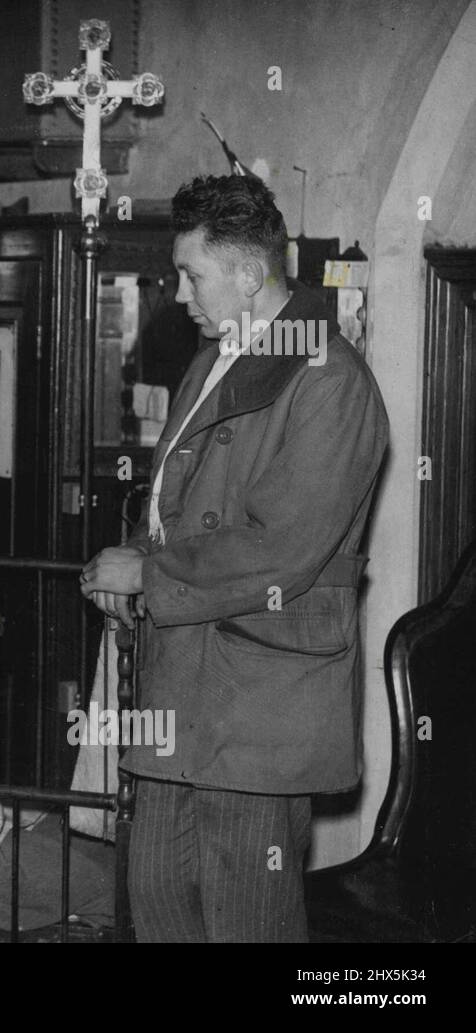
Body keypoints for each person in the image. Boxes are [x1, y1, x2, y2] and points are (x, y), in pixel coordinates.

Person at [80, 175, 389, 942]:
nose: (180, 293)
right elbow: (182, 510)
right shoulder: (214, 359)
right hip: (180, 689)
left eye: (193, 274)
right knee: (157, 907)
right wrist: (139, 554)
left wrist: (150, 577)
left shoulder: (331, 381)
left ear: (249, 275)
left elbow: (282, 549)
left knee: (246, 923)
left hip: (260, 705)